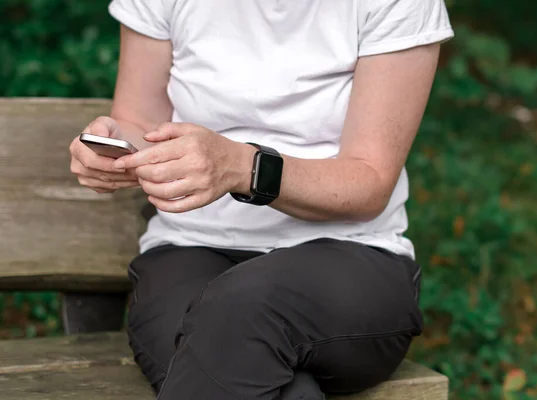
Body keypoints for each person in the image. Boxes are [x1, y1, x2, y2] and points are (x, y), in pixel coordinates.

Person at [69, 1, 454, 399]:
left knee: (240, 309)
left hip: (350, 260)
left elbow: (368, 183)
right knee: (278, 384)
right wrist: (117, 149)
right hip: (189, 251)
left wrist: (243, 167)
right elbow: (142, 121)